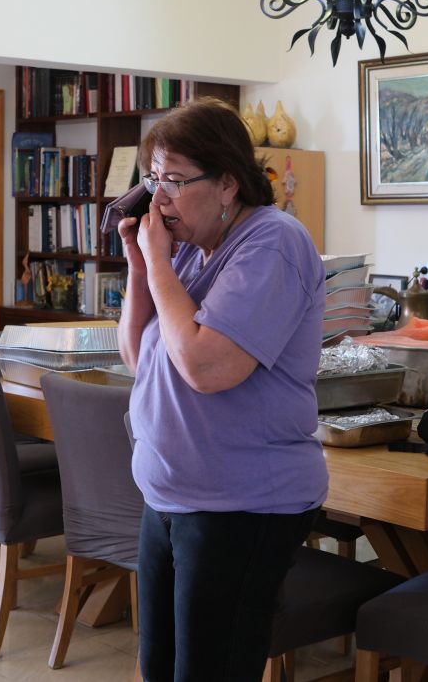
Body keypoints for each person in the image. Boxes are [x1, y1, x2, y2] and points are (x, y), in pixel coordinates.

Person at [118, 98, 328, 681]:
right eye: (153, 179)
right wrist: (142, 267)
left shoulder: (273, 243)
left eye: (175, 181)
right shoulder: (185, 252)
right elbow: (140, 358)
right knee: (159, 668)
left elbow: (209, 369)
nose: (158, 199)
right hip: (170, 497)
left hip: (240, 504)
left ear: (229, 184)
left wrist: (159, 263)